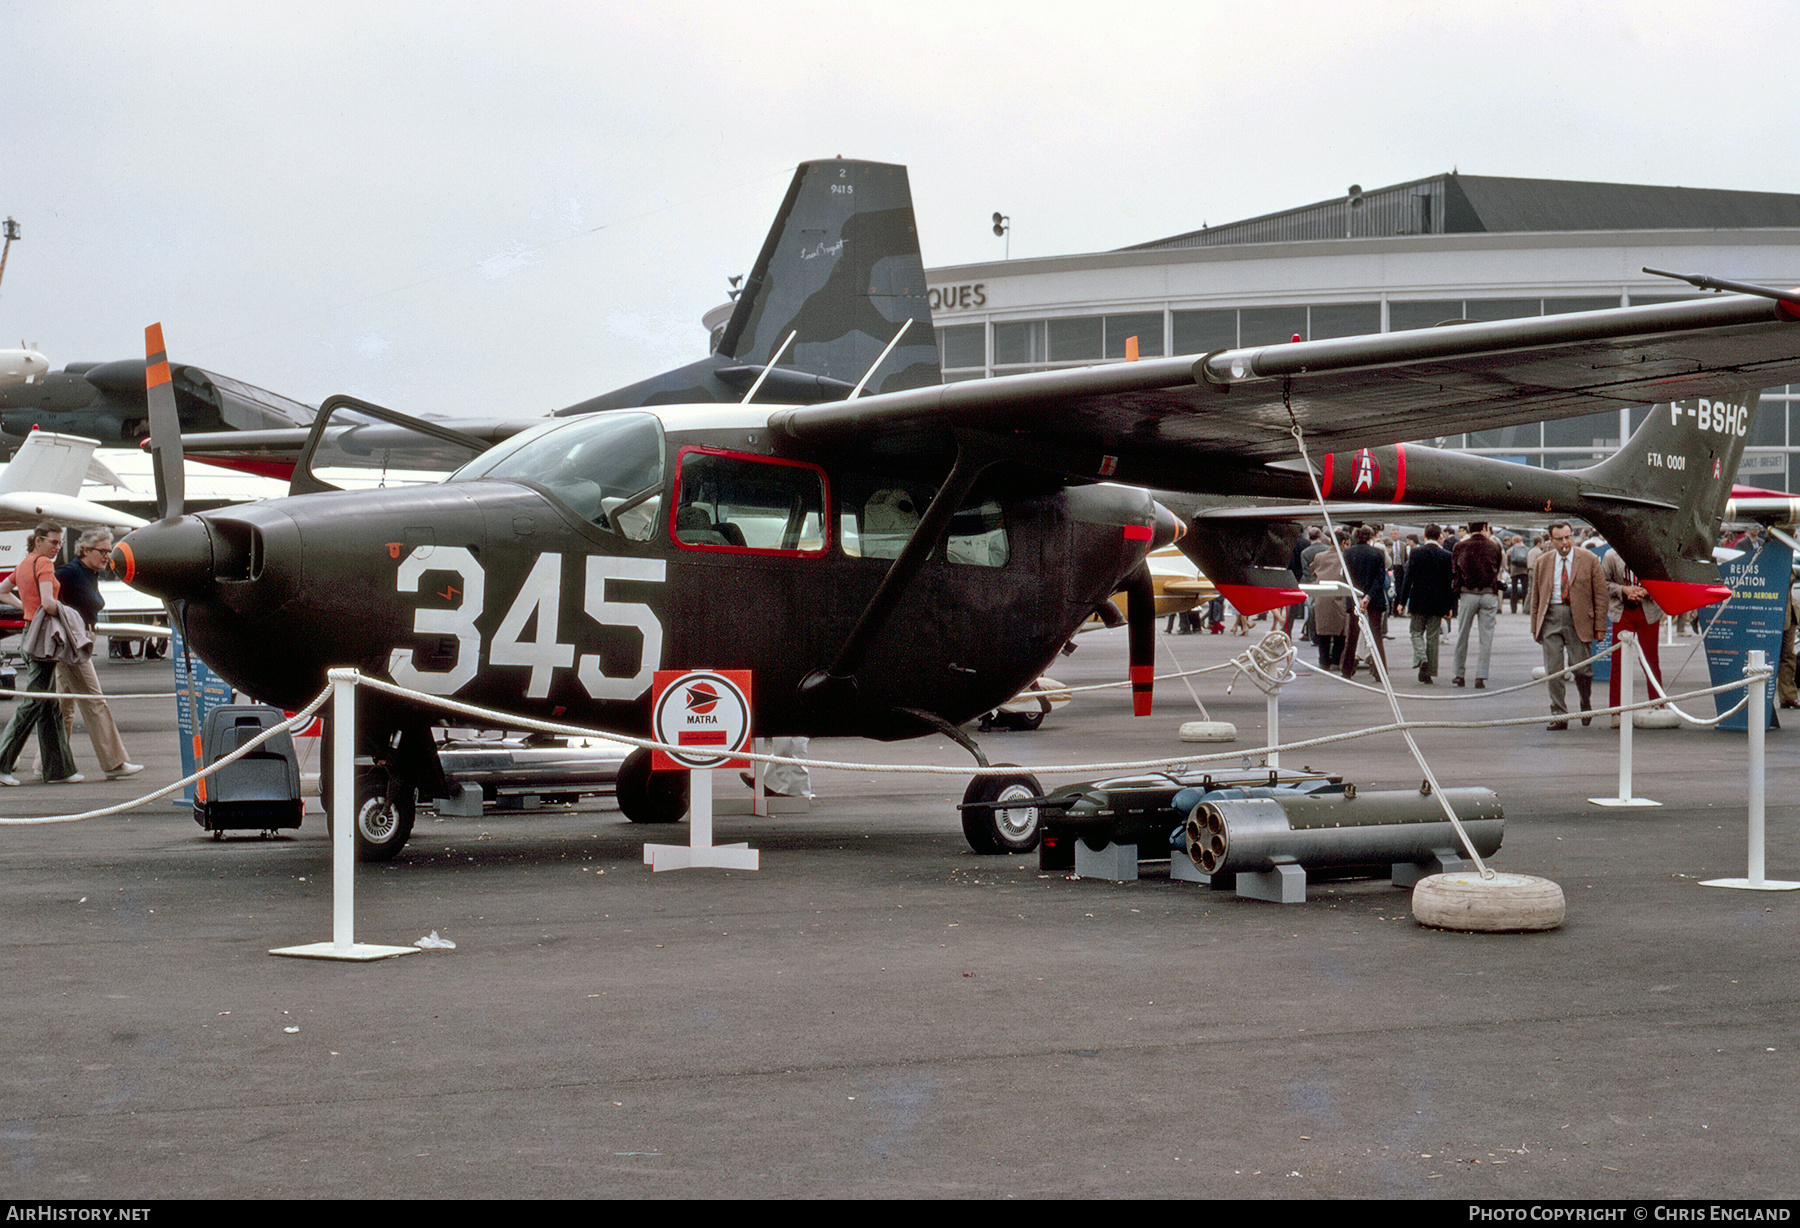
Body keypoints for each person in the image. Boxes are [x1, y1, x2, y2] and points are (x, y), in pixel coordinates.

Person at [54, 529, 144, 779]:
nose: (107, 555)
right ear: (85, 550)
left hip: (81, 639)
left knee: (64, 707)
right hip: (74, 644)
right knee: (94, 701)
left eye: (109, 550)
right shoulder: (68, 573)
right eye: (102, 551)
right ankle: (114, 763)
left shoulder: (89, 573)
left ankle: (49, 763)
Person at [0, 522, 82, 785]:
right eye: (53, 542)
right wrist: (70, 617)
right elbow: (48, 603)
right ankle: (2, 763)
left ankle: (59, 769)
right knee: (35, 701)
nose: (57, 548)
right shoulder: (44, 564)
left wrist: (26, 606)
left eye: (60, 543)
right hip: (43, 637)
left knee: (47, 704)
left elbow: (2, 591)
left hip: (29, 634)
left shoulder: (25, 563)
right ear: (38, 541)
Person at [1531, 521, 1607, 730]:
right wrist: (1535, 626)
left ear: (1572, 537)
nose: (1565, 542)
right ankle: (1559, 714)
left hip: (1579, 619)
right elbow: (1536, 596)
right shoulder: (1543, 562)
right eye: (1559, 539)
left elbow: (1601, 595)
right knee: (1553, 670)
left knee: (1582, 669)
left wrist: (1600, 626)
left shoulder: (1590, 559)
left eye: (1568, 537)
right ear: (1551, 540)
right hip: (1551, 618)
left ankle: (1585, 702)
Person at [1602, 546, 1664, 728]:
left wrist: (1645, 591)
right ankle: (1616, 711)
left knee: (1651, 661)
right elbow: (1604, 583)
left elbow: (1663, 580)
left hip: (1648, 611)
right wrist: (1624, 590)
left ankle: (1658, 704)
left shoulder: (1654, 553)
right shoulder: (1611, 555)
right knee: (1618, 662)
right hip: (1623, 611)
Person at [1396, 524, 1454, 683]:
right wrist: (1449, 606)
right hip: (1437, 603)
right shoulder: (1447, 555)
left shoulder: (1415, 553)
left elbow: (1408, 578)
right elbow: (1449, 583)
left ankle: (1421, 658)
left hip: (1418, 600)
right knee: (1433, 637)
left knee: (1415, 632)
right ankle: (1428, 673)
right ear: (1440, 536)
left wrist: (1402, 601)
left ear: (1424, 536)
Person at [1450, 521, 1504, 688]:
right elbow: (1497, 568)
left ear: (1468, 529)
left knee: (1462, 635)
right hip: (1488, 594)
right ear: (1485, 527)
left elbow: (1455, 572)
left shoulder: (1460, 546)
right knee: (1486, 637)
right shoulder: (1494, 547)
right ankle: (1481, 676)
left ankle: (1459, 674)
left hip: (1468, 594)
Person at [1340, 525, 1390, 679]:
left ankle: (1347, 670)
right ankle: (1379, 672)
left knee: (1352, 634)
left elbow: (1345, 576)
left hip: (1354, 596)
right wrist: (1368, 597)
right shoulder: (1378, 553)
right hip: (1374, 598)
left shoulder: (1347, 553)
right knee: (1376, 635)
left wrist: (1358, 596)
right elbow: (1380, 578)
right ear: (1370, 537)